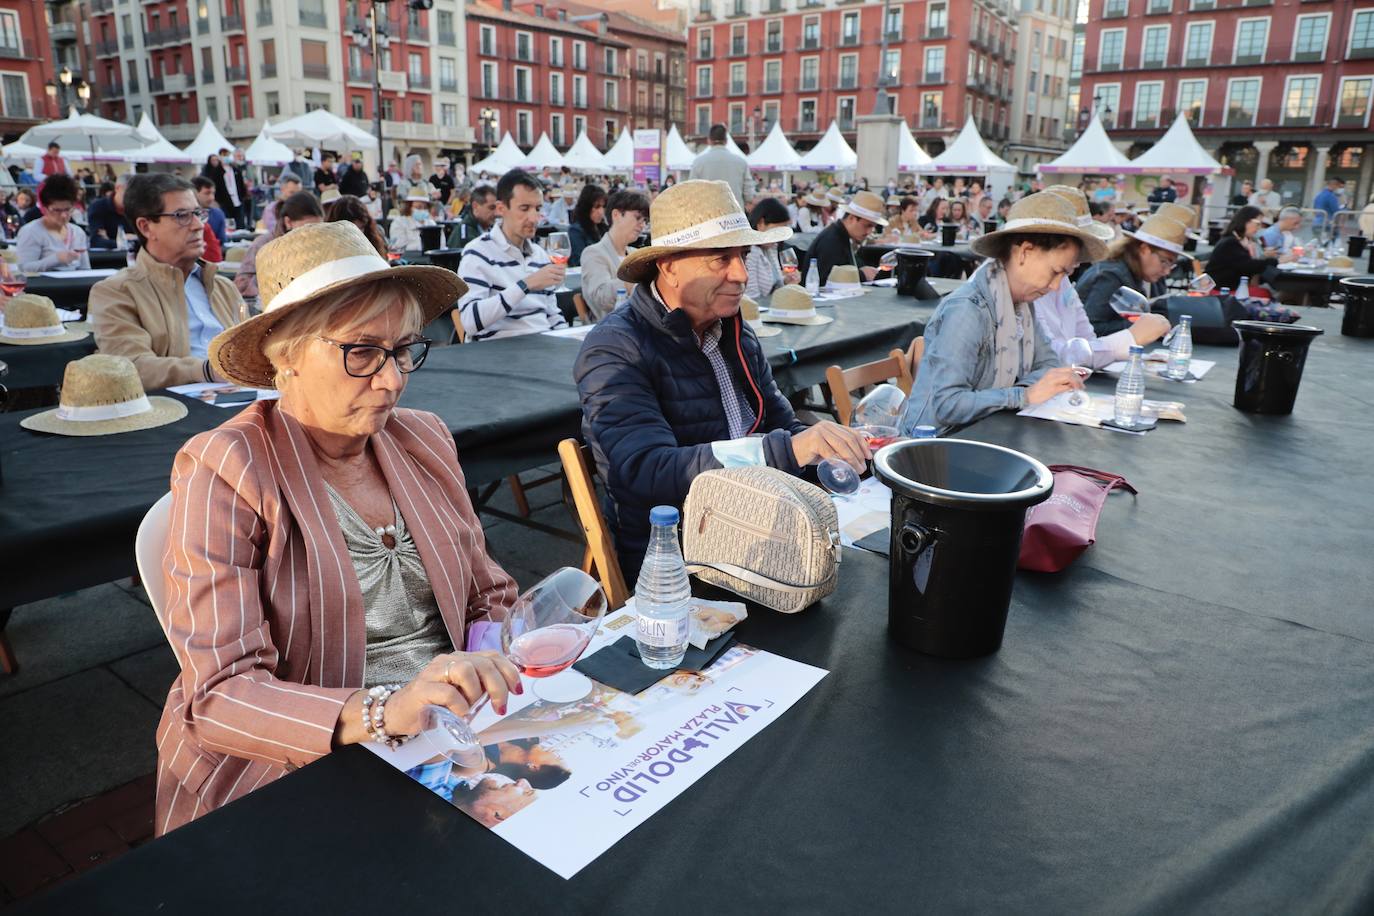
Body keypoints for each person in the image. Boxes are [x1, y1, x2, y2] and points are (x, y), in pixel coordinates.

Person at [153, 219, 526, 834]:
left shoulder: (422, 437)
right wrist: (387, 710)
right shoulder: (228, 466)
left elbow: (486, 590)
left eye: (403, 349)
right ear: (287, 354)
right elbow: (220, 694)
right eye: (361, 351)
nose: (392, 379)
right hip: (301, 761)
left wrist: (492, 651)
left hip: (448, 737)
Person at [574, 179, 869, 580]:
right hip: (680, 560)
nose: (742, 274)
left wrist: (832, 450)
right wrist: (786, 450)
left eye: (743, 256)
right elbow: (645, 472)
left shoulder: (732, 329)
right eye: (721, 259)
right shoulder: (614, 348)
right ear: (669, 267)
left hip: (759, 527)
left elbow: (782, 425)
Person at [898, 193, 1102, 434]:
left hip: (984, 434)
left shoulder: (1023, 304)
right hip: (934, 448)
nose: (1057, 286)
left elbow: (1048, 364)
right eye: (1055, 271)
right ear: (1024, 252)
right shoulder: (968, 310)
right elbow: (947, 405)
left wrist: (1026, 391)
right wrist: (1024, 394)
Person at [89, 174, 244, 389]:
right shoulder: (117, 291)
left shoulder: (224, 287)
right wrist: (207, 370)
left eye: (198, 213)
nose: (198, 225)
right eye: (182, 216)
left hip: (245, 397)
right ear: (145, 227)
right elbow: (130, 367)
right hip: (184, 410)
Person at [1033, 187, 1172, 370]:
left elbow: (1086, 337)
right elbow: (1052, 356)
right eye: (1164, 262)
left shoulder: (1063, 278)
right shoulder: (1111, 275)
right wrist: (1131, 337)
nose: (1081, 258)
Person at [456, 169, 567, 341]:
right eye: (524, 208)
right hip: (499, 356)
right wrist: (525, 285)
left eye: (537, 208)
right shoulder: (477, 252)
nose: (534, 218)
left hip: (544, 350)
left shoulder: (540, 255)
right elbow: (470, 321)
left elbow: (553, 315)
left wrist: (569, 343)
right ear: (501, 208)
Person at [1075, 210, 1188, 337]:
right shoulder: (1111, 276)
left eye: (1171, 265)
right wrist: (1144, 326)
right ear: (1144, 249)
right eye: (1164, 261)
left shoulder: (1131, 272)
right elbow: (1092, 328)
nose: (1167, 271)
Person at [234, 192, 325, 302]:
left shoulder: (324, 244)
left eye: (319, 229)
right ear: (288, 222)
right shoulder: (264, 245)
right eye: (306, 228)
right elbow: (242, 285)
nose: (312, 235)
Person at [580, 188, 649, 320]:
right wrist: (633, 281)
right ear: (616, 215)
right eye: (638, 217)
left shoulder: (635, 254)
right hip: (612, 331)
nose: (642, 224)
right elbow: (601, 297)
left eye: (645, 220)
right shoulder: (593, 253)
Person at [800, 190, 886, 286]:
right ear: (851, 219)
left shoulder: (840, 234)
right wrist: (861, 275)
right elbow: (825, 280)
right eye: (867, 226)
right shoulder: (832, 240)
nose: (869, 232)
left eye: (873, 227)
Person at [16, 174, 91, 274]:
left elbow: (86, 270)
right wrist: (56, 259)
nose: (64, 215)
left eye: (68, 209)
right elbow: (23, 268)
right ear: (44, 208)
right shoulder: (31, 232)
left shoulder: (78, 233)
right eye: (57, 210)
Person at [1205, 206, 1278, 291]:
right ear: (1245, 221)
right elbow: (1248, 266)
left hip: (1235, 287)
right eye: (1257, 223)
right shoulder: (1230, 243)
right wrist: (1276, 261)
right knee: (1268, 293)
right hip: (1223, 290)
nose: (1259, 228)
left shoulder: (1242, 241)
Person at [688, 123, 755, 208]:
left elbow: (691, 191)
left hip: (708, 214)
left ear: (709, 140)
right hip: (734, 213)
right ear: (726, 141)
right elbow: (749, 194)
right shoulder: (741, 162)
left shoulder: (698, 162)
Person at [742, 197, 797, 300]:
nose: (779, 236)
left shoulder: (771, 247)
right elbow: (751, 297)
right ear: (761, 223)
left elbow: (773, 286)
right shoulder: (750, 252)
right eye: (777, 230)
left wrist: (785, 281)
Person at [203, 152, 248, 229]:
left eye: (227, 155)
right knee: (229, 225)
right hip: (225, 203)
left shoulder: (236, 171)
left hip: (237, 201)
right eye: (223, 156)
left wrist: (243, 196)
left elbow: (241, 185)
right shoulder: (217, 172)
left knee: (240, 224)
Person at [86, 176, 131, 249]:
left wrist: (111, 241)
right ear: (117, 188)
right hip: (108, 258)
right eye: (129, 192)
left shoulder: (137, 208)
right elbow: (96, 241)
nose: (132, 197)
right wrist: (124, 241)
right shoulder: (98, 207)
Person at [568, 184, 607, 267]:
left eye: (603, 207)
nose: (601, 212)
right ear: (587, 207)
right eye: (597, 207)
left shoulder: (603, 228)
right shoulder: (576, 231)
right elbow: (579, 261)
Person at [191, 176, 227, 263]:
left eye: (213, 193)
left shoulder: (218, 214)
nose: (212, 198)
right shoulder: (184, 216)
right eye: (207, 193)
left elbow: (222, 241)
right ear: (194, 193)